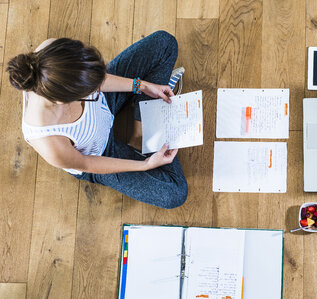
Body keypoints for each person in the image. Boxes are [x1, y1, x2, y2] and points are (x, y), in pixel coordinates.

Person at [6, 31, 188, 209]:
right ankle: (148, 124)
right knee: (174, 193)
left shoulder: (51, 53)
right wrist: (146, 164)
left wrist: (143, 85)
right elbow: (87, 163)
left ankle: (142, 128)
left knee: (164, 43)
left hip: (106, 101)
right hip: (101, 153)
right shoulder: (49, 142)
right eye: (89, 91)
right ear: (65, 101)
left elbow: (95, 79)